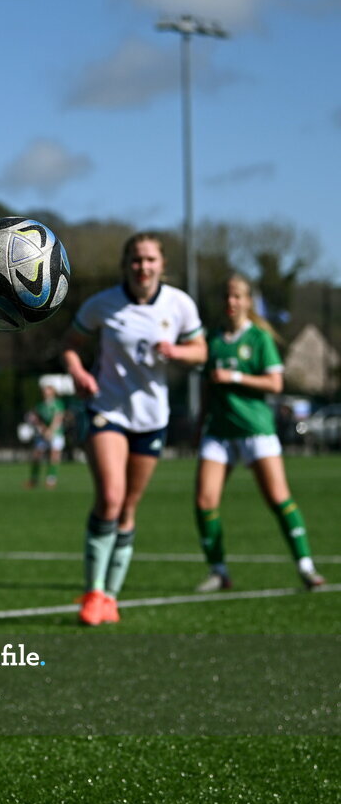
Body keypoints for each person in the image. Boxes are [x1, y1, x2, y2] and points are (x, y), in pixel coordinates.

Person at [62, 232, 206, 626]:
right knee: (110, 496)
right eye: (136, 260)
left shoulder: (180, 305)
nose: (143, 267)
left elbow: (201, 352)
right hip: (107, 411)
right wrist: (77, 371)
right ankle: (92, 593)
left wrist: (178, 352)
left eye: (150, 260)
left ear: (162, 264)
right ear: (126, 265)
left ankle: (111, 597)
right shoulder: (103, 304)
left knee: (127, 508)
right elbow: (71, 343)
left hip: (152, 419)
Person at [194, 274, 325, 592]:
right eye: (227, 296)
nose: (231, 302)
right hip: (219, 433)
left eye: (237, 296)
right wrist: (202, 419)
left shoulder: (258, 339)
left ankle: (306, 567)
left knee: (279, 499)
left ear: (248, 302)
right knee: (204, 501)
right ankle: (219, 570)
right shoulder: (211, 338)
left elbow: (275, 384)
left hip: (256, 431)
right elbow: (209, 387)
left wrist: (235, 376)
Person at [26, 383, 66, 488]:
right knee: (37, 455)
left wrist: (51, 431)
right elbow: (37, 419)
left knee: (54, 455)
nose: (45, 393)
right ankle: (34, 479)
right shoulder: (40, 405)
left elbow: (58, 418)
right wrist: (44, 430)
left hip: (56, 433)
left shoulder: (58, 403)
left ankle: (51, 480)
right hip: (43, 433)